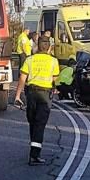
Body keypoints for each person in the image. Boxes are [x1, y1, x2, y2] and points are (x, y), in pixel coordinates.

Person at [14, 35, 60, 165]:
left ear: (37, 46)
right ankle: (34, 155)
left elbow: (22, 79)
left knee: (33, 122)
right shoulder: (53, 61)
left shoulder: (30, 60)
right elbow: (54, 79)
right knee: (40, 124)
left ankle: (34, 149)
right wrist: (56, 88)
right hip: (45, 95)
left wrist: (17, 96)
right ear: (49, 47)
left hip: (31, 93)